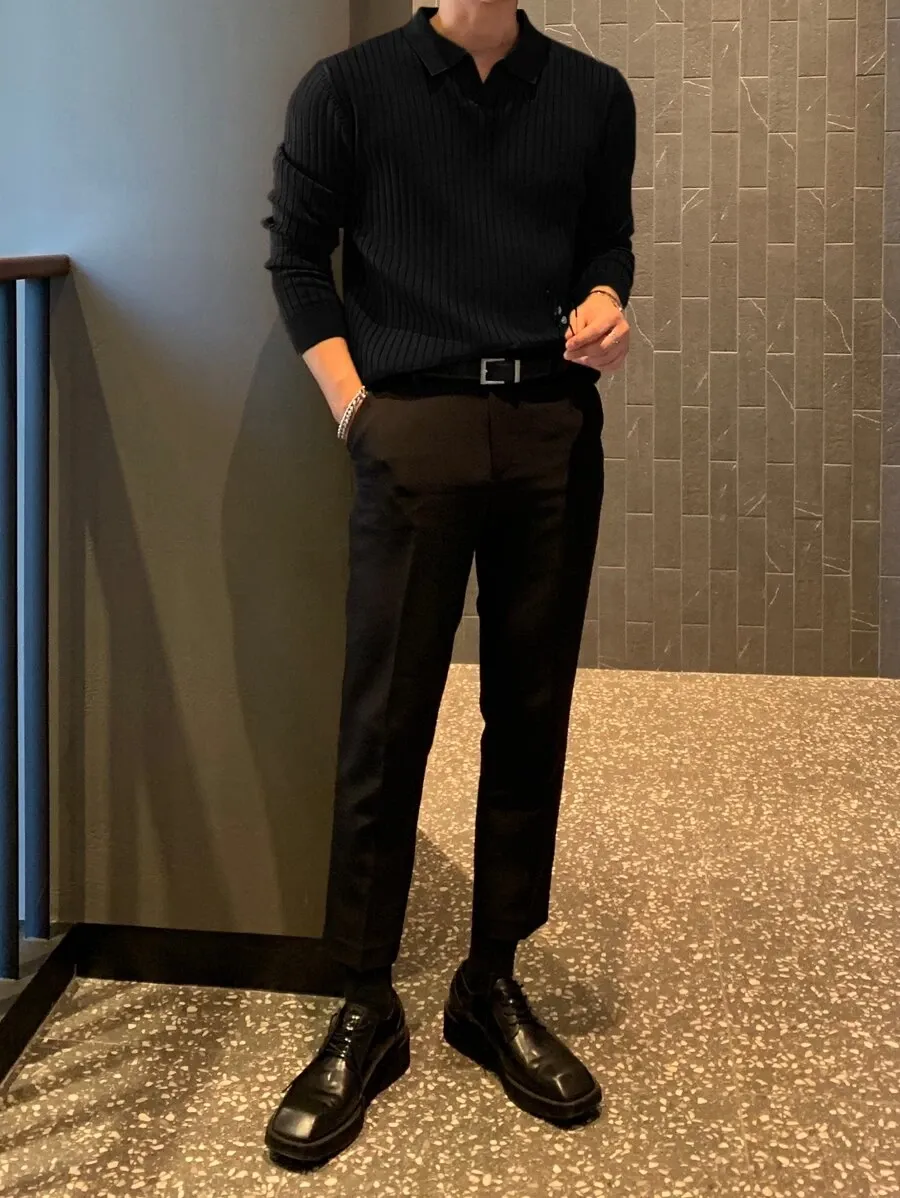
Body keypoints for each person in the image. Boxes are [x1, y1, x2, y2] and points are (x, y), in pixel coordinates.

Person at [261, 0, 635, 1167]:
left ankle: (491, 979)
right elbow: (296, 255)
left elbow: (606, 241)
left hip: (551, 428)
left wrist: (609, 300)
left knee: (531, 709)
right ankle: (365, 1000)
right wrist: (356, 411)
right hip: (411, 423)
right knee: (386, 718)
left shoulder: (592, 95)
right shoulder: (348, 90)